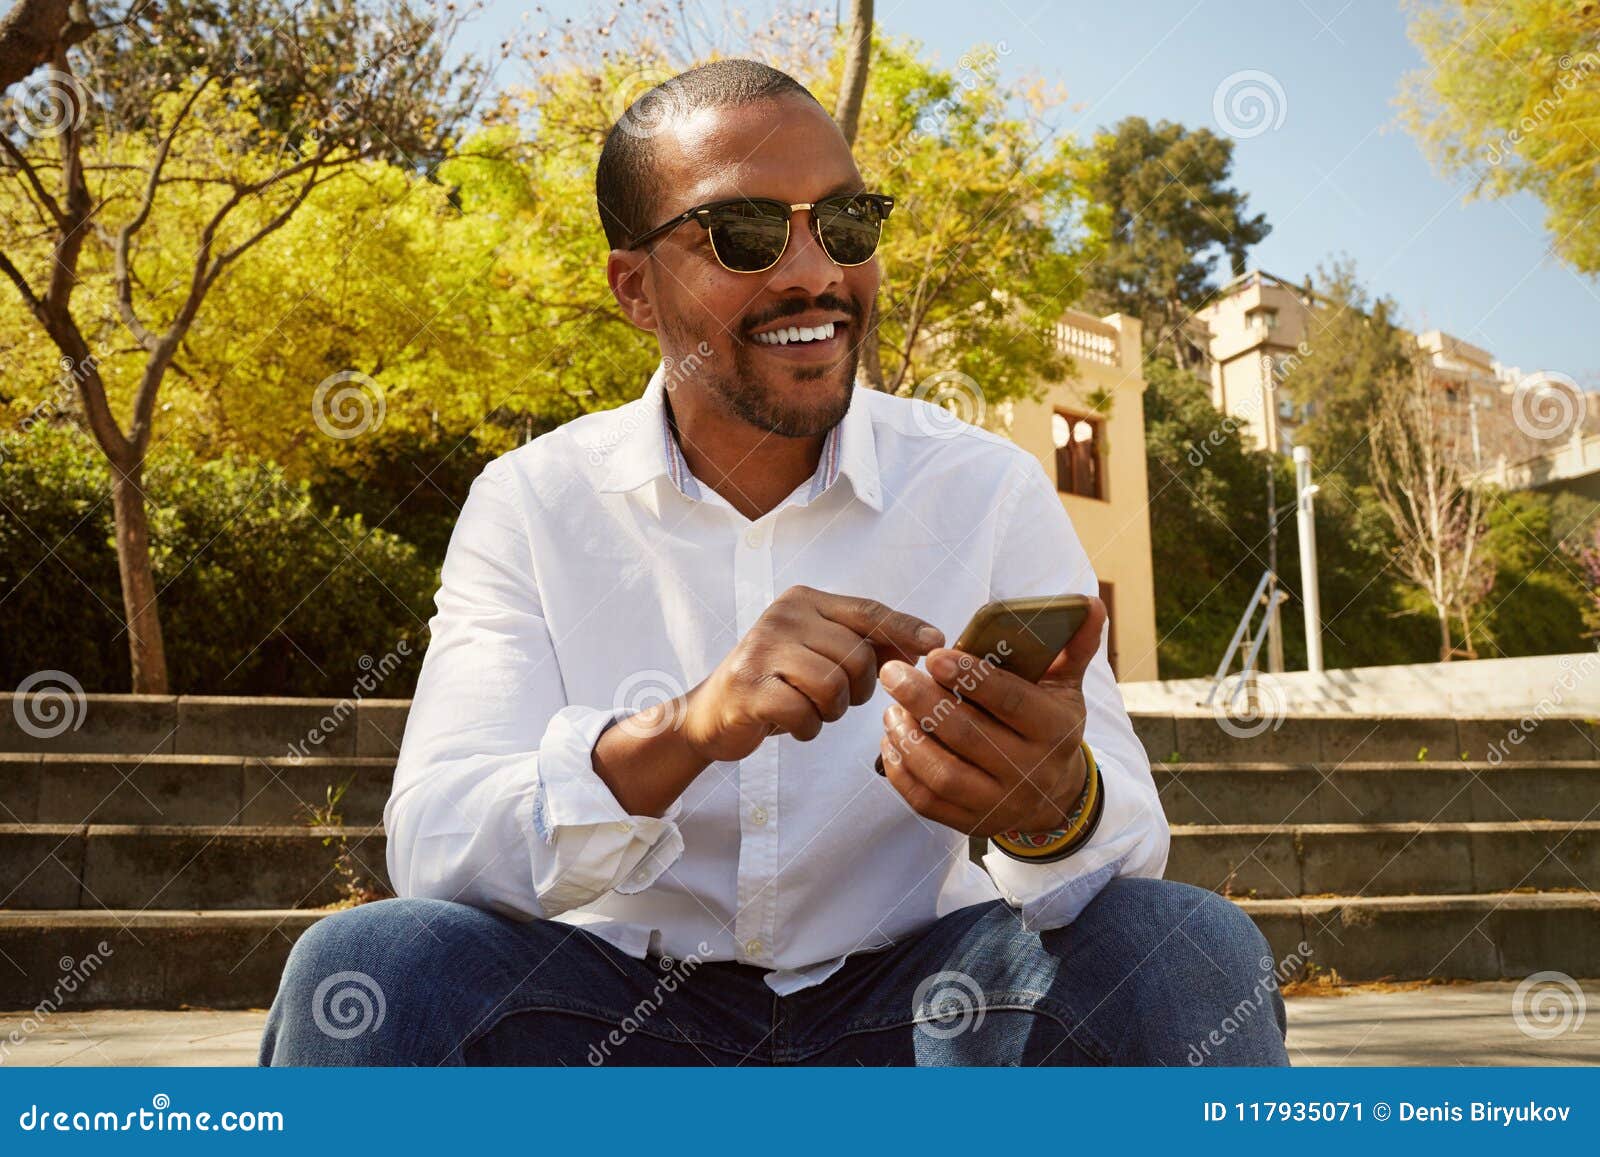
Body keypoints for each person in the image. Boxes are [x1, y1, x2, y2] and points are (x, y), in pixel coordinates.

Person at [259, 59, 1289, 1067]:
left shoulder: (986, 488)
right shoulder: (532, 501)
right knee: (369, 967)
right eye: (744, 233)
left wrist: (1050, 803)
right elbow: (437, 840)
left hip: (926, 1007)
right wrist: (687, 729)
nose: (815, 273)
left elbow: (1115, 855)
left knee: (1184, 947)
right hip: (605, 1017)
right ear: (634, 287)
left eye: (845, 225)